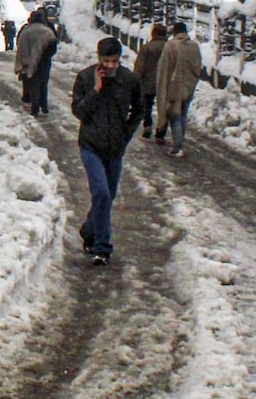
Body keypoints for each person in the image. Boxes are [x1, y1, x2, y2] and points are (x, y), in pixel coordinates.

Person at [71, 36, 143, 264]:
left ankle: (89, 229)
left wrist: (126, 134)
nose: (111, 66)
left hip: (115, 148)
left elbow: (139, 110)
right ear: (99, 58)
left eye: (115, 61)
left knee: (108, 197)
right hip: (91, 146)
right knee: (101, 193)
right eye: (107, 61)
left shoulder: (129, 80)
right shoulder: (84, 77)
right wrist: (96, 89)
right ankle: (102, 247)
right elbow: (79, 112)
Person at [154, 21, 203, 156]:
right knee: (183, 114)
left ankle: (177, 145)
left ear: (174, 32)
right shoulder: (195, 46)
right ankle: (180, 141)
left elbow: (164, 69)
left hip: (174, 87)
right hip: (189, 86)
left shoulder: (171, 46)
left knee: (174, 114)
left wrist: (163, 88)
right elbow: (198, 66)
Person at [14, 7, 57, 116]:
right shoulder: (47, 31)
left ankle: (35, 108)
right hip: (44, 62)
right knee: (43, 84)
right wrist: (46, 56)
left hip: (29, 62)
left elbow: (20, 45)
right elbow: (53, 46)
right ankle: (44, 106)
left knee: (33, 84)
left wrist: (24, 61)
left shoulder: (26, 31)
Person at [132, 23, 168, 142]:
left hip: (148, 82)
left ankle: (147, 126)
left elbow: (139, 67)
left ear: (153, 33)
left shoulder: (147, 48)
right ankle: (161, 133)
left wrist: (135, 81)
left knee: (147, 105)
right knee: (163, 108)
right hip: (165, 82)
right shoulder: (170, 48)